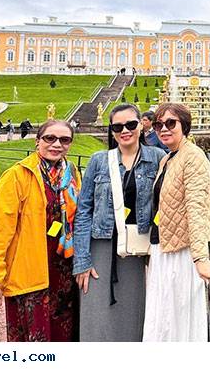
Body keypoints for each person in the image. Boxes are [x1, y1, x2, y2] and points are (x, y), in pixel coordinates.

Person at [0, 120, 81, 341]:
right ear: (37, 141)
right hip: (30, 274)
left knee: (65, 337)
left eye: (64, 139)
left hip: (64, 272)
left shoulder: (71, 173)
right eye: (49, 138)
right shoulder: (17, 176)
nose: (57, 144)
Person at [73, 104, 166, 341]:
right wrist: (82, 260)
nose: (125, 130)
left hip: (137, 248)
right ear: (112, 131)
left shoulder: (157, 158)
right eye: (117, 127)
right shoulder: (99, 160)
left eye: (131, 124)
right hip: (101, 245)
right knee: (96, 312)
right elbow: (83, 210)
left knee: (133, 312)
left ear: (141, 126)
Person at [143, 103, 210, 342]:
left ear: (185, 126)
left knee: (176, 319)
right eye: (158, 124)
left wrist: (200, 258)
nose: (164, 129)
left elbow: (196, 206)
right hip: (164, 246)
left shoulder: (193, 157)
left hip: (183, 252)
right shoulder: (167, 159)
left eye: (171, 123)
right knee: (163, 316)